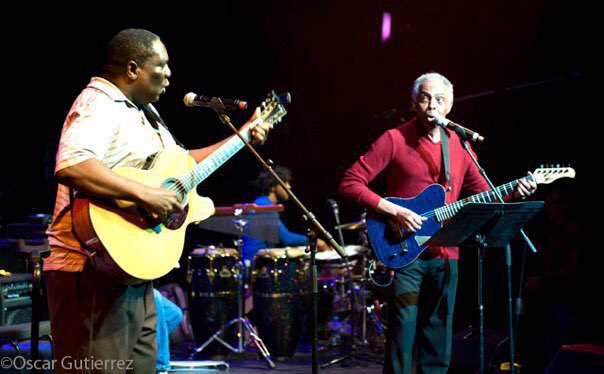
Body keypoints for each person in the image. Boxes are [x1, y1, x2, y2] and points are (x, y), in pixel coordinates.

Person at [44, 29, 273, 373]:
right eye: (161, 65)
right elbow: (72, 164)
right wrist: (145, 193)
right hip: (91, 271)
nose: (169, 74)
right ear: (133, 69)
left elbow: (182, 166)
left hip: (129, 271)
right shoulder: (99, 104)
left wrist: (242, 137)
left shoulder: (144, 112)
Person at [338, 72, 537, 373]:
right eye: (425, 97)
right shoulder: (394, 138)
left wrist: (514, 192)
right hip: (404, 251)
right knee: (402, 334)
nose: (432, 105)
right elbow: (350, 183)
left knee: (438, 335)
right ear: (414, 103)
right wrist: (394, 210)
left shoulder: (458, 145)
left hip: (447, 254)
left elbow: (486, 197)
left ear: (449, 107)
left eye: (440, 99)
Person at [241, 165, 328, 263]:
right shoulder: (264, 206)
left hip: (255, 261)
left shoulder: (261, 202)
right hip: (256, 263)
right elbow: (286, 238)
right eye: (285, 182)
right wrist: (317, 242)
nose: (289, 186)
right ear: (273, 186)